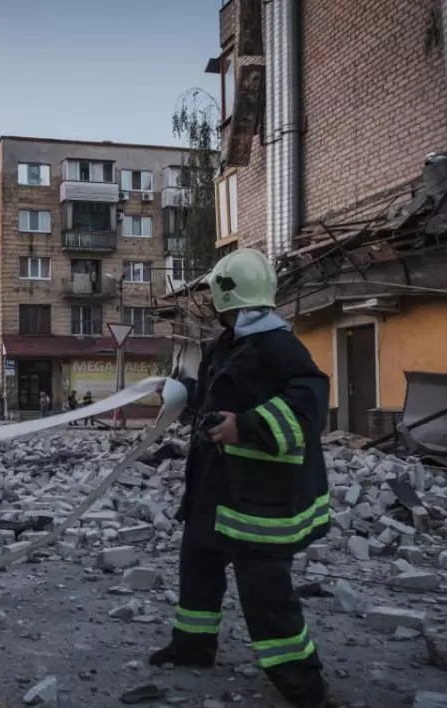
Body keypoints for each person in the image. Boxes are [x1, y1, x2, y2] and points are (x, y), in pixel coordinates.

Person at [149, 248, 331, 708]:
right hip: (215, 488)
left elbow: (308, 411)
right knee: (198, 571)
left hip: (259, 502)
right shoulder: (224, 347)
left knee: (266, 598)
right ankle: (192, 647)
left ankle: (304, 687)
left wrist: (245, 427)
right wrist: (179, 393)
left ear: (225, 301)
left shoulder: (281, 348)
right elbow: (210, 398)